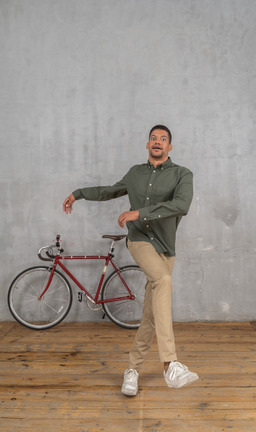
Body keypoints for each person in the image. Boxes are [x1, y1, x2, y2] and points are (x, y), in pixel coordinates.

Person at [63, 125, 199, 396]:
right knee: (163, 279)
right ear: (147, 144)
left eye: (163, 139)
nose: (157, 142)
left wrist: (140, 212)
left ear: (170, 147)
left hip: (165, 248)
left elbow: (181, 205)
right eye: (153, 138)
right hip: (139, 240)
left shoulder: (182, 174)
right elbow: (109, 191)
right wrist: (78, 193)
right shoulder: (135, 173)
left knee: (150, 314)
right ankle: (170, 363)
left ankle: (132, 370)